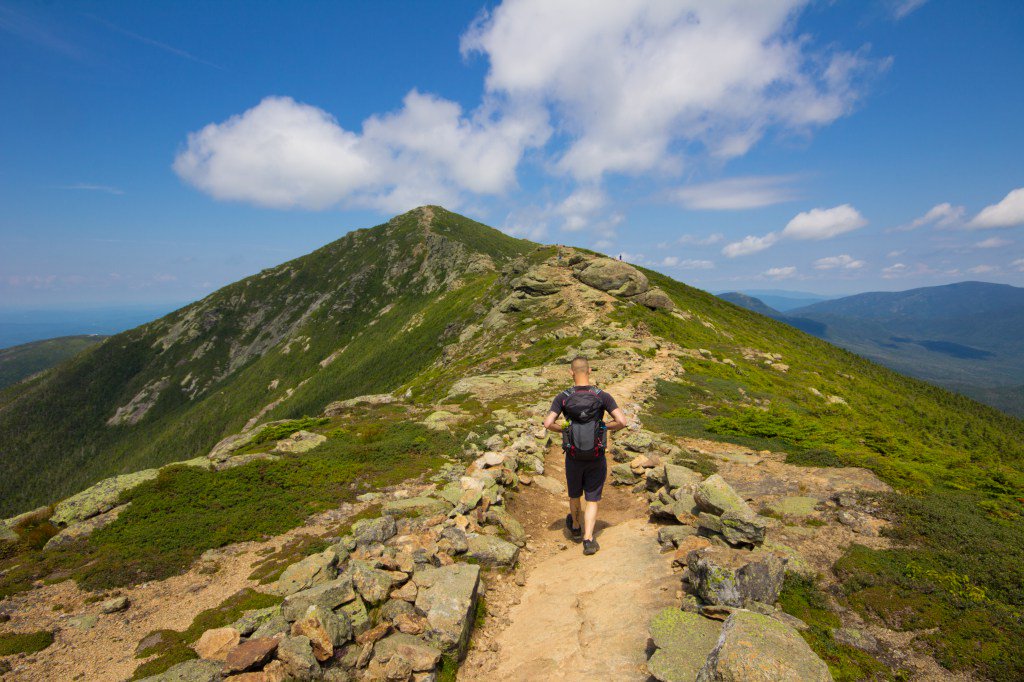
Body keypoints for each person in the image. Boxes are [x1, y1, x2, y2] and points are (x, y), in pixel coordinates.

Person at [542, 356, 630, 555]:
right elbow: (622, 421)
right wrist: (602, 427)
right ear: (589, 371)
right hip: (596, 455)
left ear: (571, 373)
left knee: (575, 494)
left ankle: (575, 526)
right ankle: (589, 539)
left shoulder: (562, 397)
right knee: (592, 497)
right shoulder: (602, 396)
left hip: (573, 456)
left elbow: (548, 424)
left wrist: (565, 429)